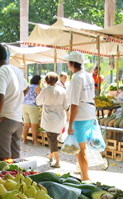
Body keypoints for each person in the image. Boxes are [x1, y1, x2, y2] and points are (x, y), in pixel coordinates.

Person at [0, 43, 29, 160]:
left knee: (1, 161)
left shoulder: (1, 72)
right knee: (15, 160)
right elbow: (26, 88)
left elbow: (0, 95)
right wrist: (16, 101)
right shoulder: (16, 70)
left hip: (3, 121)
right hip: (16, 120)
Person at [64, 51, 96, 181]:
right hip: (89, 113)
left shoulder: (77, 78)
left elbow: (74, 104)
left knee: (81, 150)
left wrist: (70, 124)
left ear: (72, 63)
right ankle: (83, 173)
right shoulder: (88, 76)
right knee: (78, 148)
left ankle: (85, 178)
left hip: (80, 116)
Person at [37, 72, 67, 168]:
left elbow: (38, 101)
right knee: (55, 137)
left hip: (49, 118)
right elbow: (66, 105)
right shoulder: (62, 90)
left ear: (46, 81)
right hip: (61, 116)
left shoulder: (45, 90)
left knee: (52, 139)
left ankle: (57, 161)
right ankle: (51, 155)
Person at [22, 75, 42, 145]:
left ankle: (24, 139)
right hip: (32, 107)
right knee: (34, 125)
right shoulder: (37, 87)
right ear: (39, 81)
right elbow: (40, 98)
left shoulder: (27, 86)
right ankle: (35, 141)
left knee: (26, 124)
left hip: (24, 106)